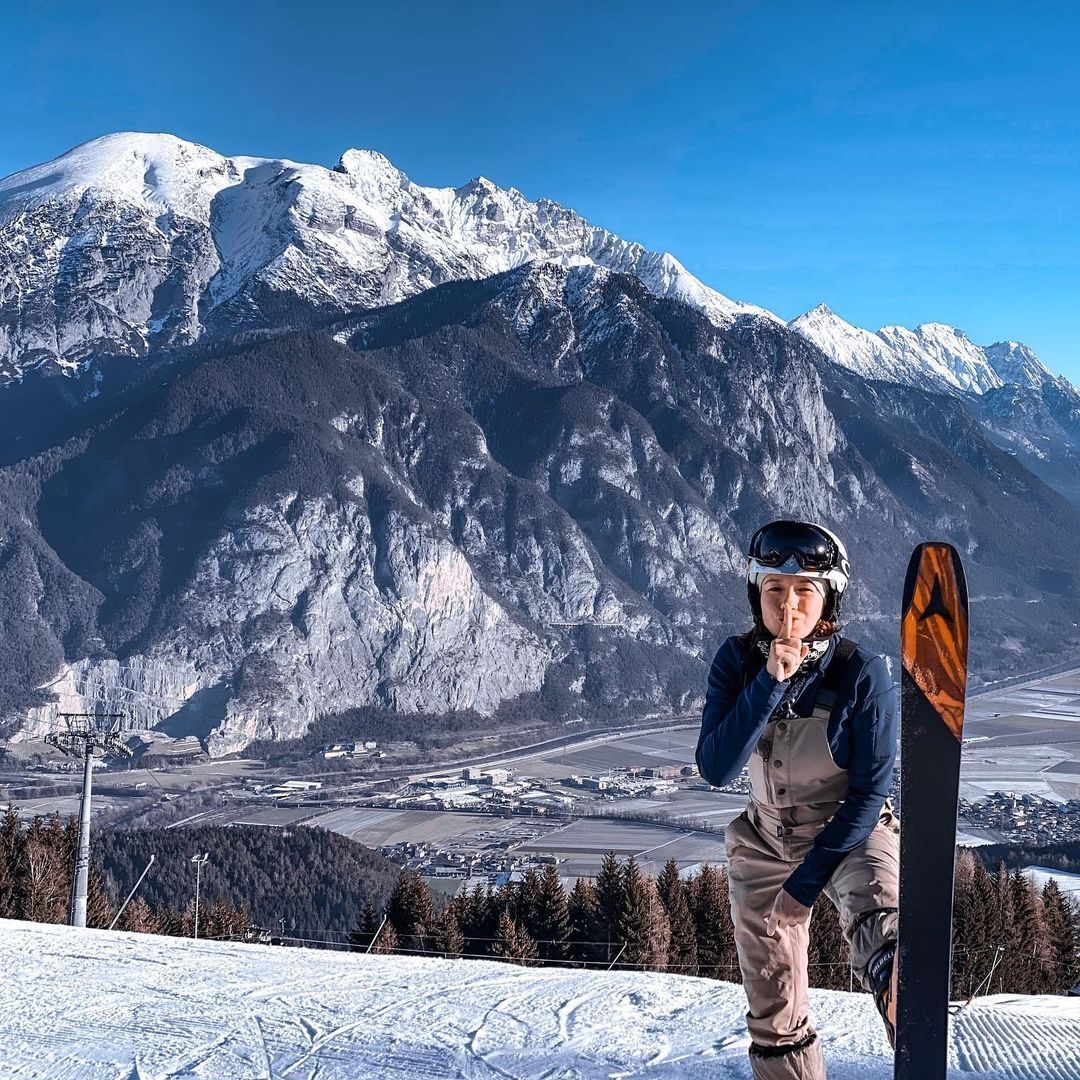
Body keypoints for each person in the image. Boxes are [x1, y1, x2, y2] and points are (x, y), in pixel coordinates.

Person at [696, 519, 899, 1080]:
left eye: (804, 592)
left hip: (848, 831)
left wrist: (804, 887)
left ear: (828, 599)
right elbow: (716, 767)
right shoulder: (736, 663)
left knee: (878, 918)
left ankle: (901, 989)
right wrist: (768, 683)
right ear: (756, 595)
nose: (788, 606)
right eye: (774, 591)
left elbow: (868, 794)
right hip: (763, 838)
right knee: (773, 1007)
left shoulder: (862, 674)